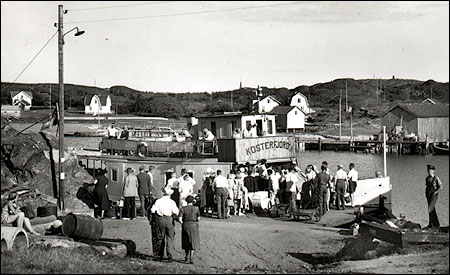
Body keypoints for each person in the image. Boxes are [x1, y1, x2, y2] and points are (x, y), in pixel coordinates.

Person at [150, 187, 179, 262]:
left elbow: (153, 210)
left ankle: (160, 255)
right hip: (169, 219)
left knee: (160, 237)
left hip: (160, 219)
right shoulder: (172, 202)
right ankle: (170, 255)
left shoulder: (158, 201)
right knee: (170, 237)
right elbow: (176, 212)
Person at [178, 195, 200, 264]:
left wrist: (183, 223)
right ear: (193, 201)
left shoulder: (182, 208)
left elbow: (180, 219)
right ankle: (191, 257)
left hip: (186, 224)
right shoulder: (196, 208)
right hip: (193, 224)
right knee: (193, 240)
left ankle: (186, 256)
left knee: (186, 240)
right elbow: (198, 218)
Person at [425, 165, 442, 229]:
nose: (429, 171)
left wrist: (435, 192)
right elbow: (427, 186)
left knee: (430, 208)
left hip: (434, 195)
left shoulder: (436, 178)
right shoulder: (427, 178)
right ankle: (434, 224)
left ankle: (433, 224)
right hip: (428, 195)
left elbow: (440, 187)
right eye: (428, 170)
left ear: (433, 171)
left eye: (430, 170)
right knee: (432, 209)